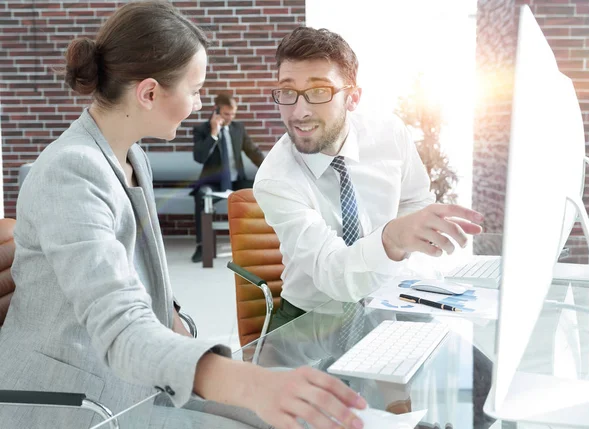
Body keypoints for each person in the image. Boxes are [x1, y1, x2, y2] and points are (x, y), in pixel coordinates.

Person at [0, 4, 367, 429]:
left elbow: (133, 271)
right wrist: (248, 385)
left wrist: (175, 320)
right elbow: (120, 328)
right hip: (74, 403)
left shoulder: (133, 156)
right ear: (150, 93)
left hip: (133, 377)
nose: (197, 105)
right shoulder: (69, 171)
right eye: (194, 90)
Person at [253, 27, 484, 331]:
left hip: (396, 299)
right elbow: (334, 275)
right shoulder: (276, 179)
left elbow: (415, 199)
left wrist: (403, 255)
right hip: (314, 319)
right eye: (287, 92)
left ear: (353, 97)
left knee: (475, 373)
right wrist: (389, 240)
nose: (299, 111)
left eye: (319, 91)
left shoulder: (390, 133)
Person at [190, 93, 265, 263]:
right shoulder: (202, 130)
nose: (230, 118)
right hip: (213, 183)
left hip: (237, 181)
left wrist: (272, 169)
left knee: (264, 190)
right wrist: (214, 133)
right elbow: (199, 157)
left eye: (233, 114)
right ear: (216, 111)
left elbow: (253, 152)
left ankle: (259, 244)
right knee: (202, 195)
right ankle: (202, 246)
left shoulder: (238, 129)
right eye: (226, 114)